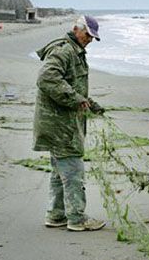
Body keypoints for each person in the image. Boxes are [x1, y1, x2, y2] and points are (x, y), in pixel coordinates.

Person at [33, 15, 107, 231]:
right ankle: (77, 218)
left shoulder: (75, 51)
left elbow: (73, 86)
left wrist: (90, 104)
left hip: (61, 122)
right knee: (73, 170)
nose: (90, 40)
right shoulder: (64, 50)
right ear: (77, 29)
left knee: (59, 171)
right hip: (59, 125)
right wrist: (76, 100)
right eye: (88, 35)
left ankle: (56, 215)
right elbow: (46, 78)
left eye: (93, 37)